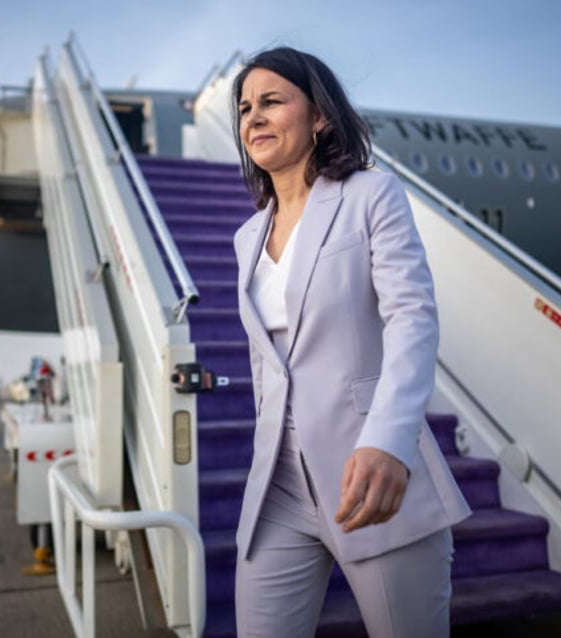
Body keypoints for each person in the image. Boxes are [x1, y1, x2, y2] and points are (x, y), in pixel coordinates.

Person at [231, 47, 470, 638]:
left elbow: (413, 317)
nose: (253, 118)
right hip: (279, 487)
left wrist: (389, 441)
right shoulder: (246, 236)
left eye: (271, 102)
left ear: (318, 116)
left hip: (367, 470)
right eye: (244, 109)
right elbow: (269, 364)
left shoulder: (370, 194)